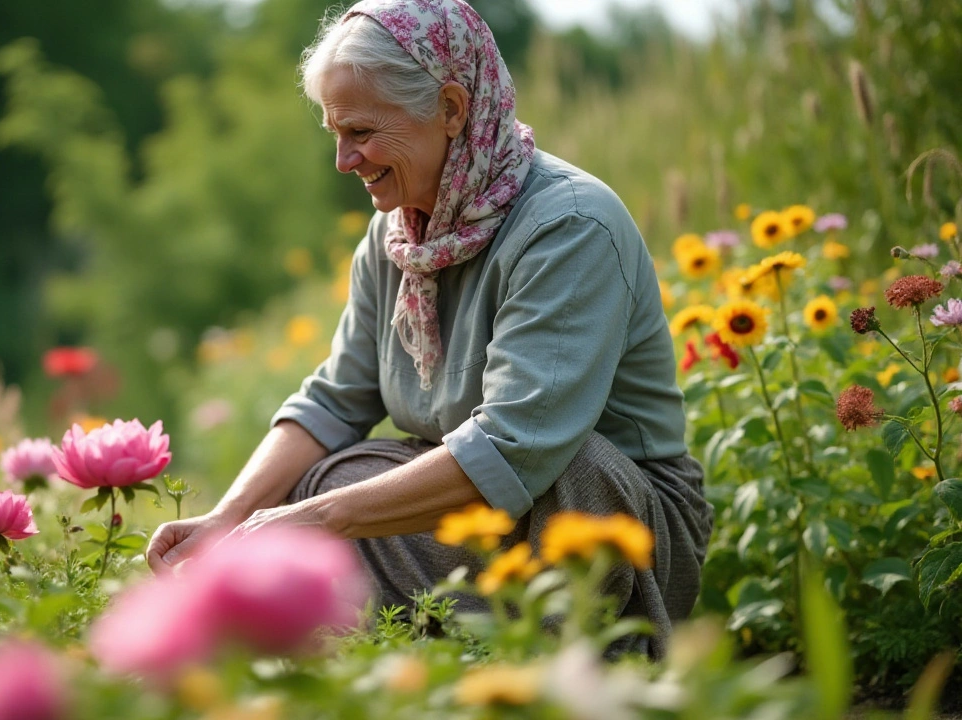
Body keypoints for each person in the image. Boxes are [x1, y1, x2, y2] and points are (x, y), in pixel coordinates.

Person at [146, 0, 712, 658]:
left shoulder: (569, 225)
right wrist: (231, 517)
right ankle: (442, 652)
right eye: (334, 132)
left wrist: (316, 519)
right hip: (485, 519)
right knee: (323, 478)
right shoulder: (394, 237)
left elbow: (519, 446)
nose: (343, 159)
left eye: (360, 130)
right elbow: (335, 400)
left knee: (571, 468)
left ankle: (583, 658)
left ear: (450, 108)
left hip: (611, 522)